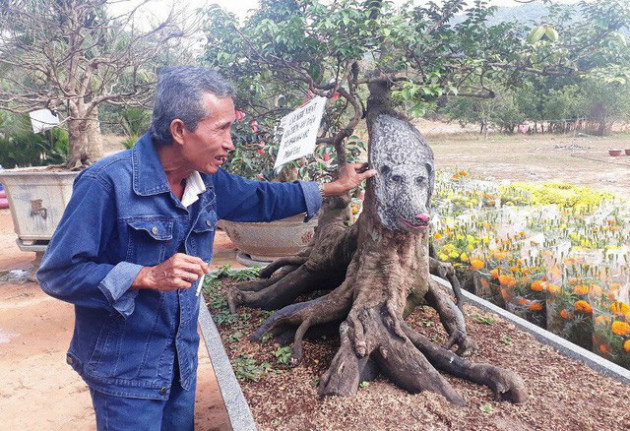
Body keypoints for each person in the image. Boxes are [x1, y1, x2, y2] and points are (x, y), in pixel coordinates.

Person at [37, 66, 375, 430]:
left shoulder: (206, 181)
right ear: (180, 130)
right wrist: (144, 275)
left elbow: (261, 197)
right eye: (221, 129)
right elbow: (59, 273)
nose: (230, 142)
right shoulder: (107, 184)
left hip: (180, 364)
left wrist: (332, 188)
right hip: (125, 371)